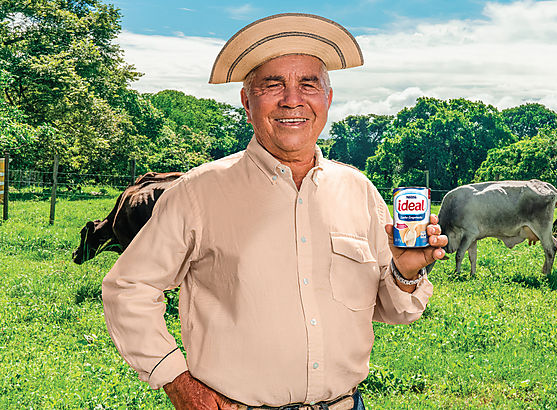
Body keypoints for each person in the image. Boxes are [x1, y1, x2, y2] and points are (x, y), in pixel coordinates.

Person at [101, 13, 448, 410]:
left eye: (308, 84)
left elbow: (392, 309)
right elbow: (128, 288)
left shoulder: (360, 191)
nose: (292, 99)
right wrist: (175, 379)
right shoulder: (198, 192)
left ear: (327, 99)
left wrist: (405, 273)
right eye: (273, 85)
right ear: (247, 102)